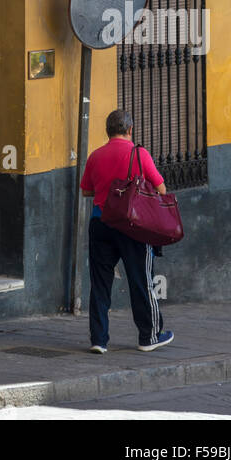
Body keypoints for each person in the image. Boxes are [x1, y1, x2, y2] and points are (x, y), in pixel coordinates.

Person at [80, 108, 175, 354]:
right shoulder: (139, 154)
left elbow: (86, 190)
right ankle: (149, 336)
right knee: (141, 280)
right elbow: (161, 188)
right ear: (130, 130)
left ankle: (99, 340)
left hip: (101, 223)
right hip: (133, 227)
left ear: (107, 131)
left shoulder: (95, 156)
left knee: (100, 283)